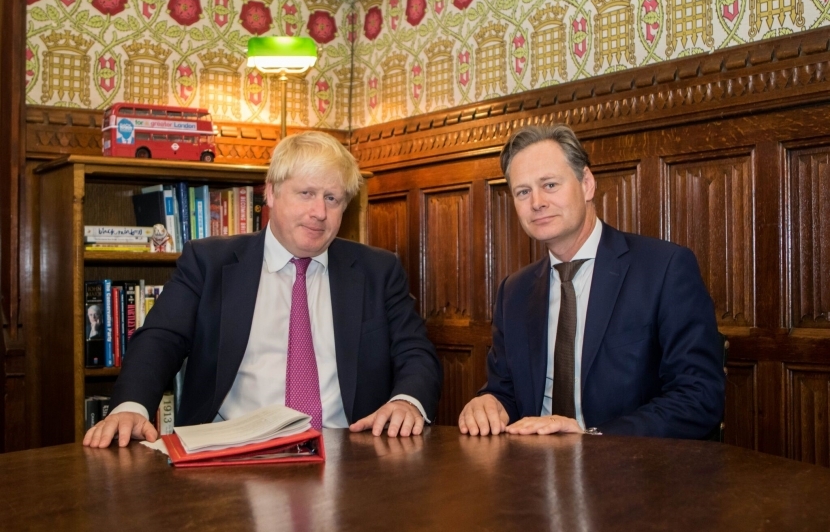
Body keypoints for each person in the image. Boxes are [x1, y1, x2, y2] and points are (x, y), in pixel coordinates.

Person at [84, 131, 442, 448]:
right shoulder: (209, 262)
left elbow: (416, 352)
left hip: (349, 457)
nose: (319, 211)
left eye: (332, 199)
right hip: (231, 454)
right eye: (306, 193)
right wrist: (130, 408)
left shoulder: (378, 271)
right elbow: (161, 339)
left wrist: (407, 401)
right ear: (270, 192)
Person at [458, 124, 724, 439]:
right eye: (523, 191)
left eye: (550, 184)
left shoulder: (663, 269)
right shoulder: (514, 291)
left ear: (586, 184)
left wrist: (593, 437)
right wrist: (488, 402)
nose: (537, 202)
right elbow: (505, 391)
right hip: (529, 473)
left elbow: (699, 396)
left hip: (632, 474)